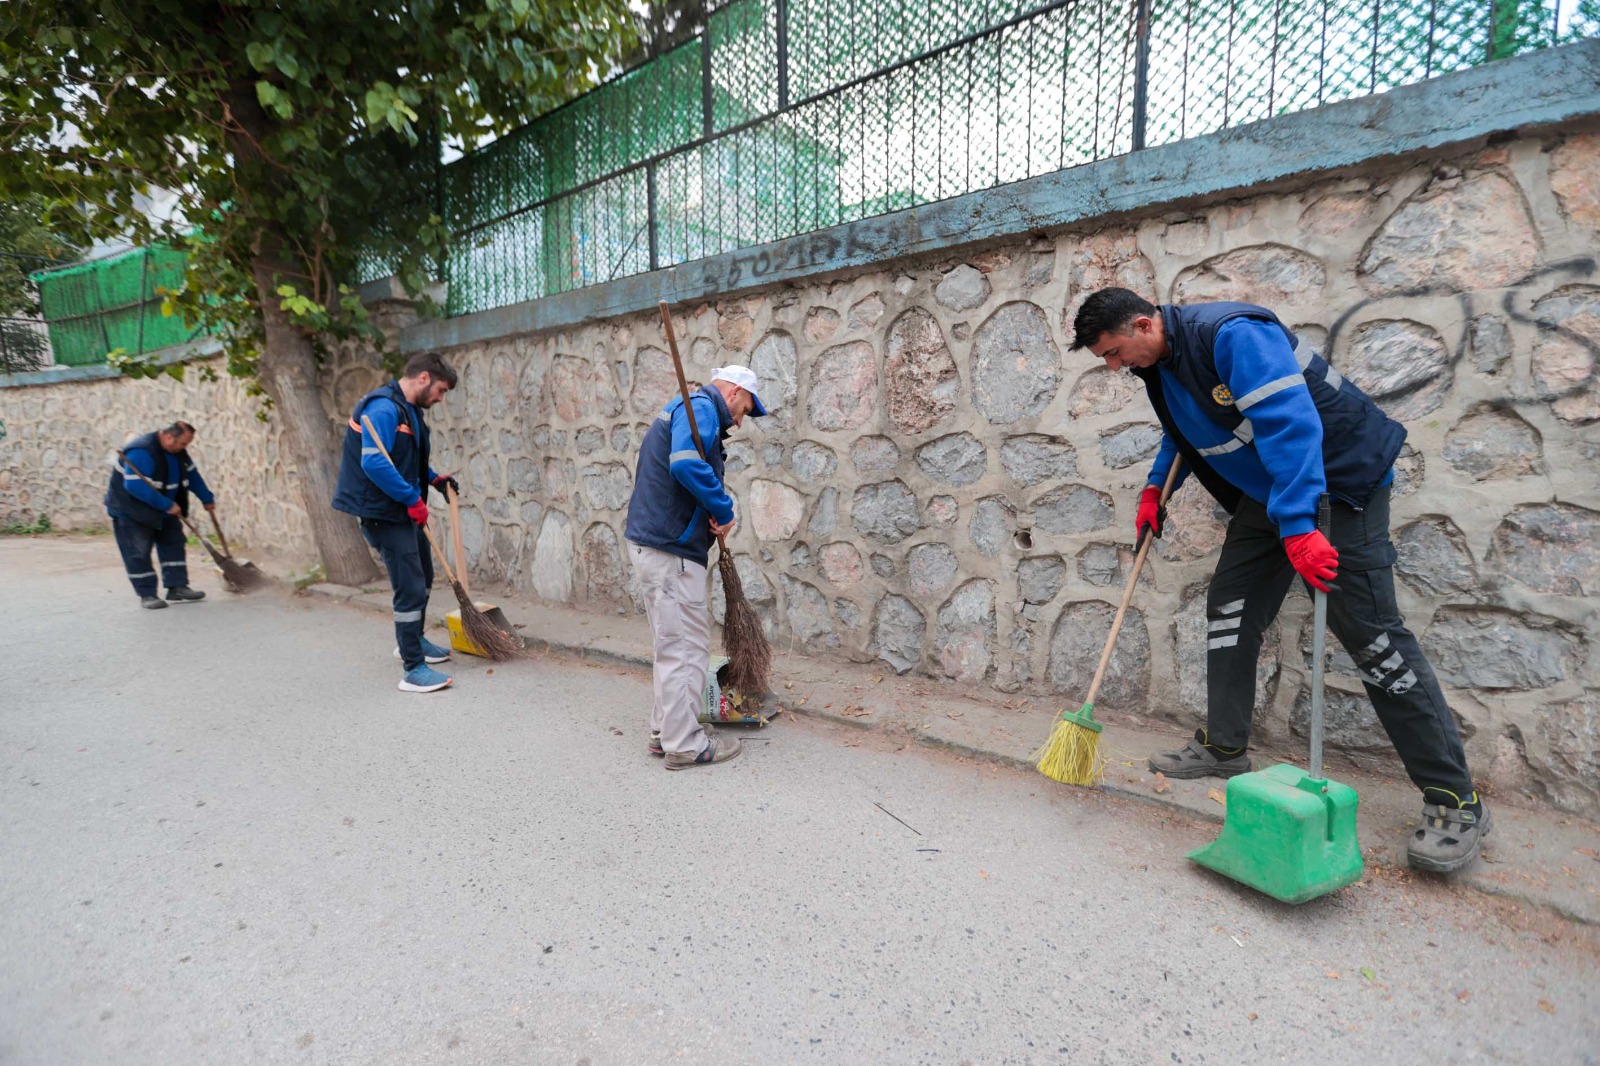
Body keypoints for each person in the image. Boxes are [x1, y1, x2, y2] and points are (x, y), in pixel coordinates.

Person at [1071, 288, 1488, 873]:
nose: (1115, 367)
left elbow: (1289, 424)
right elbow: (1184, 430)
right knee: (1230, 607)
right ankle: (1225, 745)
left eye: (1115, 353)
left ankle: (1456, 799)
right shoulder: (1159, 363)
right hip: (1273, 489)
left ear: (1143, 324)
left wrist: (1298, 528)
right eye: (1106, 360)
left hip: (1342, 483)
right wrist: (1154, 486)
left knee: (1373, 637)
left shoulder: (1233, 335)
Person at [624, 365, 769, 770]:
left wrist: (703, 508)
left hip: (655, 544)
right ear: (736, 391)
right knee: (686, 648)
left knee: (670, 646)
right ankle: (686, 744)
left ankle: (664, 732)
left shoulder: (685, 409)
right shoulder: (702, 407)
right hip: (671, 552)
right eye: (746, 408)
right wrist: (723, 507)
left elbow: (682, 472)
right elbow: (686, 463)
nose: (741, 421)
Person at [332, 352, 461, 693]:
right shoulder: (383, 409)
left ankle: (413, 641)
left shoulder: (409, 411)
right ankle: (413, 669)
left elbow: (405, 460)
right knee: (410, 585)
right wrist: (412, 499)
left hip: (401, 508)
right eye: (441, 390)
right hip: (383, 513)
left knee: (424, 574)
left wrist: (433, 479)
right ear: (423, 378)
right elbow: (375, 464)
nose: (440, 397)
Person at [105, 420, 215, 609]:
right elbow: (135, 486)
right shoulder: (141, 451)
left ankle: (177, 586)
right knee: (138, 552)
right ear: (168, 437)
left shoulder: (178, 452)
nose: (184, 448)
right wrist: (165, 504)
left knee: (174, 543)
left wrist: (206, 498)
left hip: (165, 508)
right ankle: (147, 594)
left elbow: (192, 475)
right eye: (183, 443)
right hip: (132, 511)